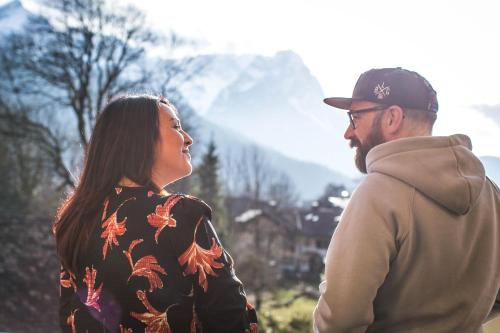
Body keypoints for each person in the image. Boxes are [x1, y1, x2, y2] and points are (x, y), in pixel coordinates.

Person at [313, 67, 500, 332]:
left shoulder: (378, 193)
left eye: (355, 117)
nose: (348, 132)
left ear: (392, 117)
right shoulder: (490, 192)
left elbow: (340, 321)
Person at [54, 94, 258, 332]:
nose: (189, 139)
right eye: (176, 126)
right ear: (140, 138)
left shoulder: (76, 221)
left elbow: (69, 319)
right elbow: (230, 317)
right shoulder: (177, 215)